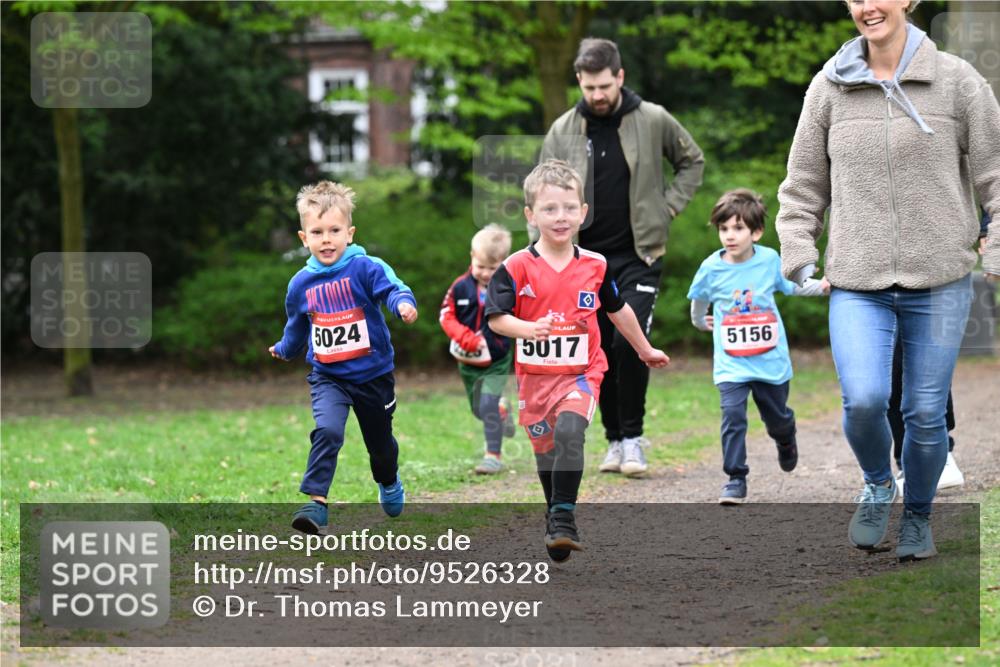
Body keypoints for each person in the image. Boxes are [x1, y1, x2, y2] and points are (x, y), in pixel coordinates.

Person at [776, 0, 999, 561]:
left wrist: (994, 250)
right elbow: (802, 184)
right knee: (864, 400)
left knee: (925, 413)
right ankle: (879, 483)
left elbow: (996, 177)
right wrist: (799, 254)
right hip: (857, 281)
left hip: (940, 279)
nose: (867, 7)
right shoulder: (828, 88)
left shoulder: (958, 82)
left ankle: (918, 517)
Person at [485, 160, 670, 561]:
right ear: (530, 215)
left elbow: (618, 310)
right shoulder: (515, 267)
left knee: (571, 431)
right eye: (550, 209)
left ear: (583, 212)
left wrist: (644, 349)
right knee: (547, 452)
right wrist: (528, 329)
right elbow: (496, 319)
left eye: (570, 208)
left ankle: (564, 518)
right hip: (535, 379)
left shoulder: (596, 265)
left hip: (582, 373)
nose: (561, 217)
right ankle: (555, 515)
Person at [540, 37, 704, 478]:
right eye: (589, 87)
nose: (597, 95)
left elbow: (692, 161)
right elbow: (543, 192)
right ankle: (613, 439)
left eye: (605, 86)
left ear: (620, 77)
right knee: (598, 349)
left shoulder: (652, 118)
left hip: (639, 254)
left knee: (627, 342)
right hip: (584, 260)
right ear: (579, 80)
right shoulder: (562, 130)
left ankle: (633, 438)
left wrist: (667, 209)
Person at [269, 181, 419, 534]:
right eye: (317, 232)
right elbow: (297, 326)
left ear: (349, 233)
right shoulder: (300, 284)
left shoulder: (366, 267)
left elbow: (393, 289)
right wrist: (285, 348)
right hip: (329, 376)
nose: (326, 239)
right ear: (303, 238)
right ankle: (316, 503)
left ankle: (389, 481)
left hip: (373, 375)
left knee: (380, 447)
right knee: (327, 430)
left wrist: (403, 305)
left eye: (334, 231)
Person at [688, 189, 828, 504]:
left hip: (770, 362)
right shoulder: (710, 268)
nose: (729, 235)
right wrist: (700, 322)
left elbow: (793, 287)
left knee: (777, 419)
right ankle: (735, 478)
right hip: (731, 363)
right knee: (732, 415)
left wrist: (822, 287)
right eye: (724, 228)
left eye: (738, 228)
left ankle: (785, 438)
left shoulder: (769, 260)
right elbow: (699, 301)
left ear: (756, 232)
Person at [439, 223, 516, 474]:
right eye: (481, 266)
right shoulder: (460, 286)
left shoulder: (507, 288)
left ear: (504, 262)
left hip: (497, 359)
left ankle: (493, 456)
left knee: (488, 405)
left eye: (492, 268)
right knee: (478, 408)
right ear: (472, 256)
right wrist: (465, 337)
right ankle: (502, 410)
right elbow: (446, 316)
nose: (485, 273)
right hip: (468, 361)